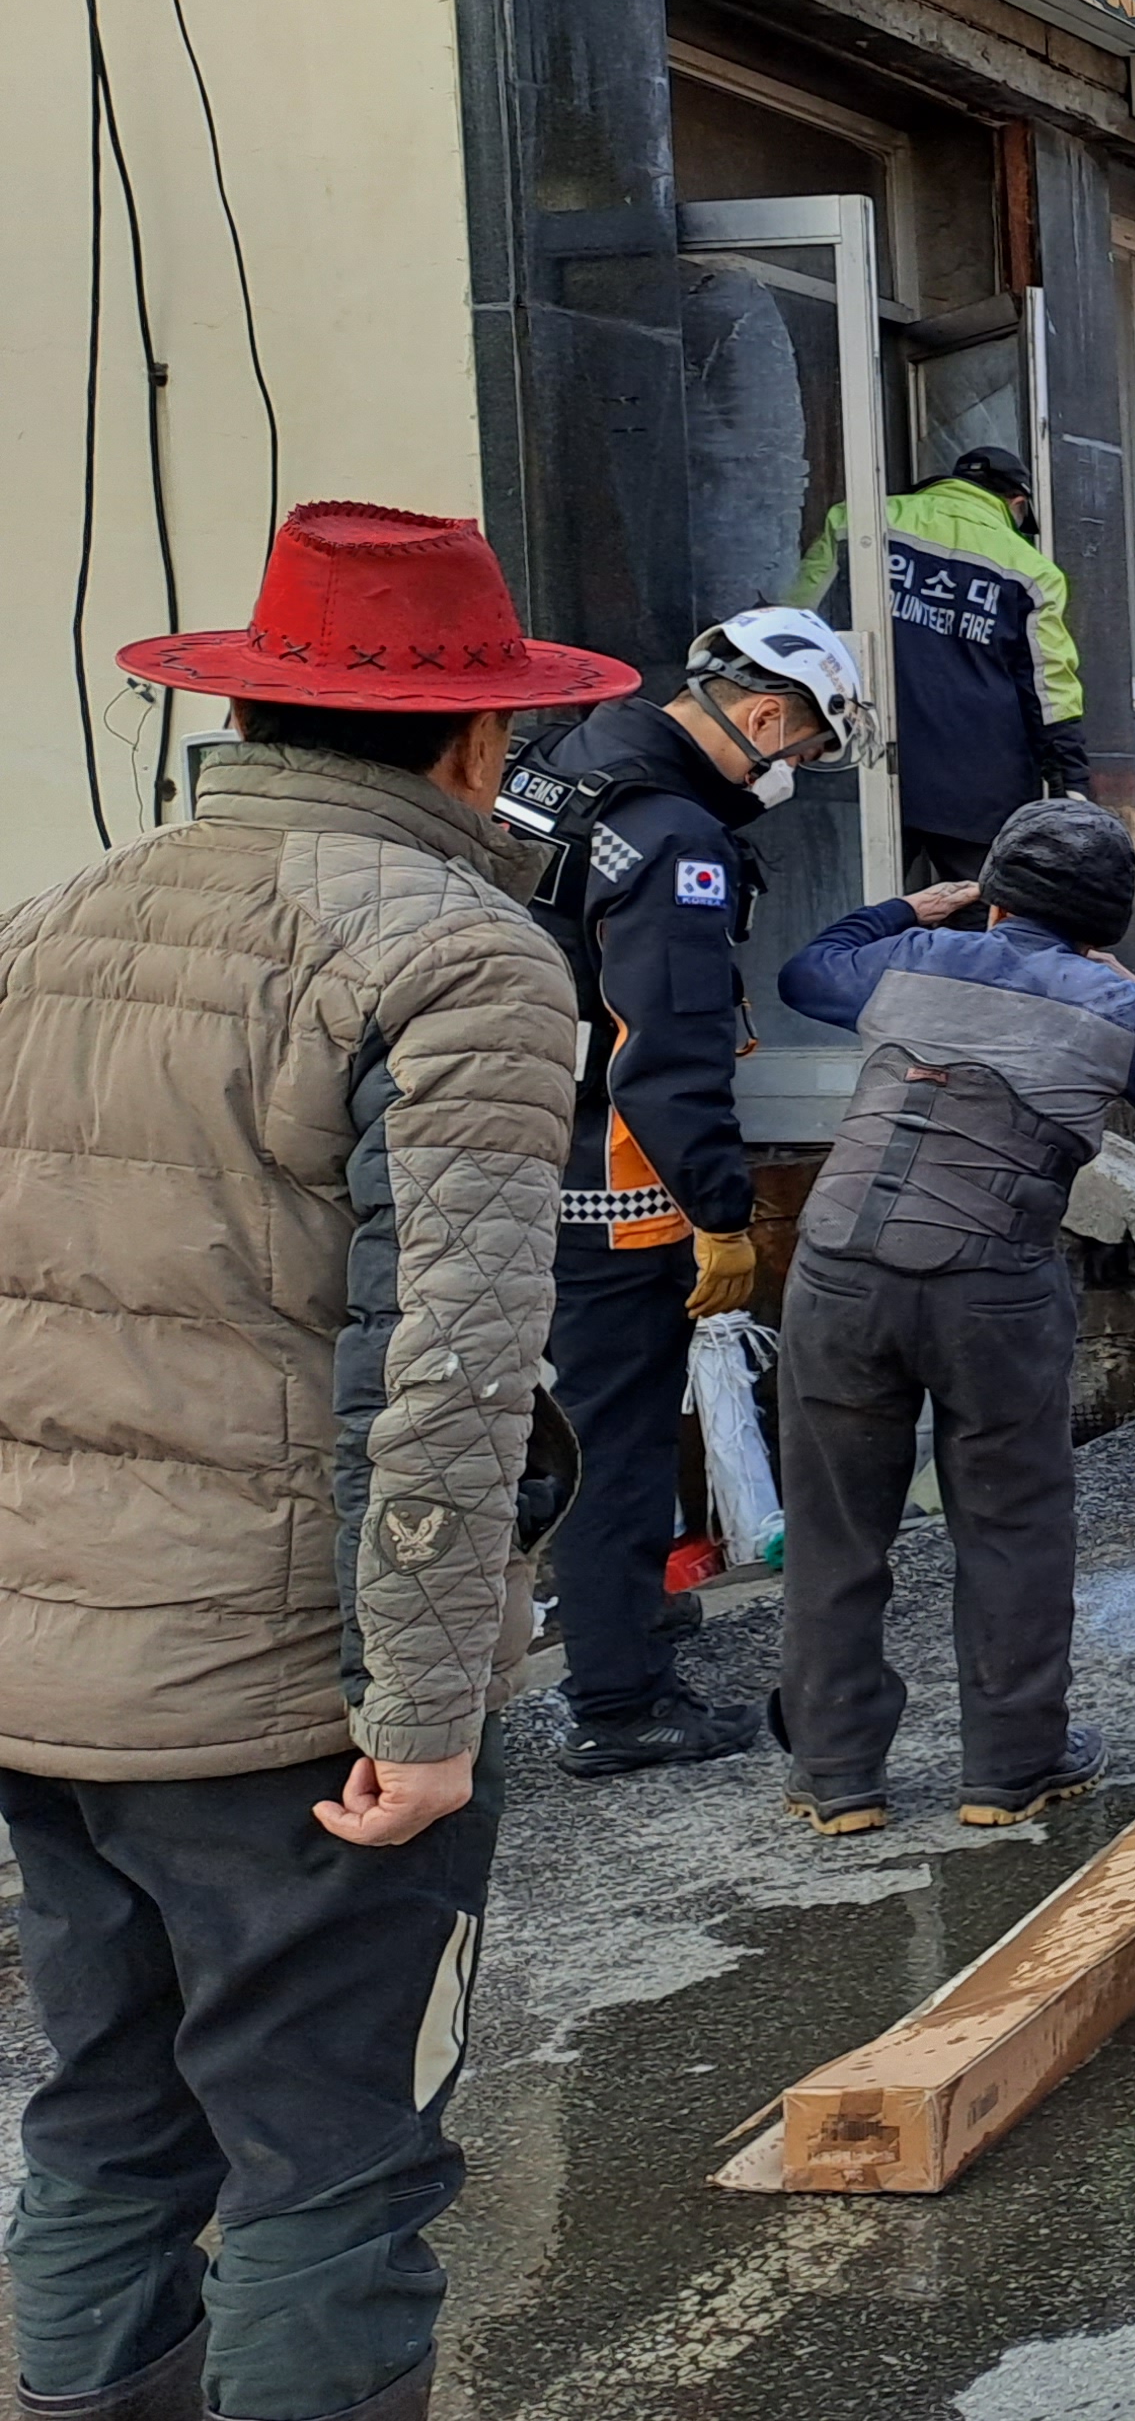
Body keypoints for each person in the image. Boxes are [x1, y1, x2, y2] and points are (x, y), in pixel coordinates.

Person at [0, 502, 632, 2421]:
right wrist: (423, 1710)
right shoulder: (461, 956)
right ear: (476, 738)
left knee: (106, 2119)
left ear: (251, 708)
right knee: (331, 2159)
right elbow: (445, 1365)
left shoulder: (50, 923)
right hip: (284, 1692)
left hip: (48, 1666)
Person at [769, 799, 1135, 1834]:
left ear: (994, 896)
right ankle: (1012, 1769)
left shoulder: (909, 960)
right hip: (992, 1283)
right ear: (1106, 921)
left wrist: (907, 907)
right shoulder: (1114, 1003)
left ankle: (836, 1776)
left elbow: (804, 972)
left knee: (835, 1527)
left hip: (837, 1268)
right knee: (1011, 1523)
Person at [511, 606, 878, 1779]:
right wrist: (721, 1213)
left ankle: (621, 1618)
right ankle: (619, 1702)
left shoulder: (563, 769)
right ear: (763, 715)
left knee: (563, 1423)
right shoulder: (674, 840)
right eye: (803, 747)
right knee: (617, 1438)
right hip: (613, 1183)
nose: (793, 770)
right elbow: (666, 1051)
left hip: (507, 1153)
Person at [792, 444, 1089, 885]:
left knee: (859, 902)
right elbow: (1050, 690)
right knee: (976, 907)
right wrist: (1070, 783)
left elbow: (796, 625)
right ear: (1017, 503)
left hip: (863, 765)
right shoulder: (1032, 571)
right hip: (981, 782)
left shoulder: (854, 521)